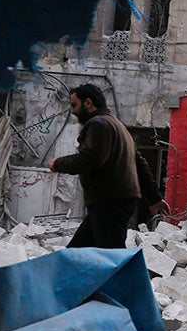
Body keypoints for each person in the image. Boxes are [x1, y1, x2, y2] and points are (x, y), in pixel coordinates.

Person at [48, 83, 140, 248]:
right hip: (113, 201)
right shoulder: (118, 126)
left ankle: (134, 274)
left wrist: (58, 163)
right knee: (78, 251)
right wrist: (154, 197)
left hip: (109, 201)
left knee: (109, 255)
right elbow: (139, 162)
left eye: (74, 105)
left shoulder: (97, 124)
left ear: (88, 103)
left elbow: (91, 159)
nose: (73, 111)